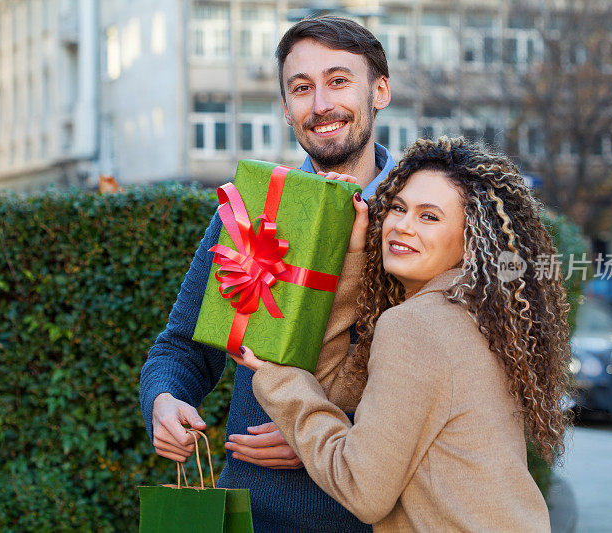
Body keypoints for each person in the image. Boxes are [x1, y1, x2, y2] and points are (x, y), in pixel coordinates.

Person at [232, 137, 572, 532]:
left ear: (471, 239)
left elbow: (362, 489)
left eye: (429, 217)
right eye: (398, 207)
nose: (401, 226)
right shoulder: (479, 315)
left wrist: (277, 377)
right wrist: (355, 259)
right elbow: (335, 390)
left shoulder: (417, 325)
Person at [139, 16, 396, 532]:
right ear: (285, 108)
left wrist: (325, 435)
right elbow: (183, 346)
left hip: (373, 519)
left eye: (339, 80)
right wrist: (166, 401)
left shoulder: (420, 220)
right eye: (301, 88)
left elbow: (448, 389)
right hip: (248, 515)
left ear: (380, 91)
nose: (320, 103)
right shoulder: (251, 211)